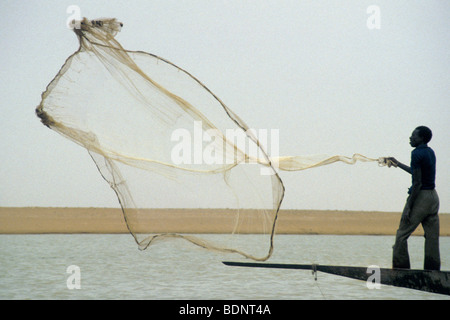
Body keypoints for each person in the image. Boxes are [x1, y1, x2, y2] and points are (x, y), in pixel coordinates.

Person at [386, 126, 440, 270]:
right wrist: (397, 163)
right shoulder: (430, 152)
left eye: (413, 136)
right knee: (432, 237)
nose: (410, 138)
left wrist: (409, 206)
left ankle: (401, 268)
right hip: (433, 197)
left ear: (422, 138)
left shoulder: (416, 153)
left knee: (402, 234)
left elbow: (417, 182)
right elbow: (417, 173)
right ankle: (432, 269)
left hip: (421, 197)